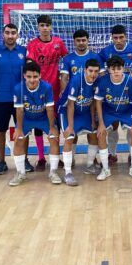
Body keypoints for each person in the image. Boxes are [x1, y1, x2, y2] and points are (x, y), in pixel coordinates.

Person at [0, 23, 34, 175]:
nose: (10, 35)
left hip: (21, 99)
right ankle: (1, 163)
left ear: (17, 35)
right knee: (0, 131)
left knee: (24, 131)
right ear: (3, 34)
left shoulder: (24, 52)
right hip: (0, 99)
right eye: (7, 32)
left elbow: (32, 74)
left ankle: (24, 160)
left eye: (13, 33)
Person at [8, 61, 61, 186]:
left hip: (43, 117)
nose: (32, 80)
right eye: (29, 77)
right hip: (27, 118)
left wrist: (52, 127)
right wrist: (19, 129)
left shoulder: (47, 87)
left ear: (40, 76)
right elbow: (19, 110)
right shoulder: (18, 88)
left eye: (35, 76)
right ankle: (20, 173)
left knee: (54, 139)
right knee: (18, 140)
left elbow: (49, 109)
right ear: (24, 76)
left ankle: (53, 172)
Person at [26, 14, 67, 171]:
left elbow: (67, 60)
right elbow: (30, 66)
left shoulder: (58, 43)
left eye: (47, 25)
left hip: (56, 90)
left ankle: (57, 156)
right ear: (38, 27)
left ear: (51, 27)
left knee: (55, 124)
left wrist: (63, 76)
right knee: (38, 124)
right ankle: (41, 158)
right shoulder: (32, 45)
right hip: (38, 90)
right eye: (42, 25)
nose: (44, 28)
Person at [94, 55, 132, 181]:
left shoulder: (130, 81)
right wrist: (101, 124)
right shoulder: (103, 81)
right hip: (109, 111)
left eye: (119, 68)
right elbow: (98, 102)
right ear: (108, 69)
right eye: (113, 69)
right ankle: (105, 169)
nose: (116, 71)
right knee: (101, 133)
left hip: (126, 111)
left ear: (123, 69)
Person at [98, 25, 132, 163]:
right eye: (115, 38)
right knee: (113, 126)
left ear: (126, 37)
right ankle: (112, 154)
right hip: (112, 92)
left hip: (128, 93)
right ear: (111, 38)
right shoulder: (105, 51)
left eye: (121, 37)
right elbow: (99, 65)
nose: (118, 40)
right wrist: (105, 76)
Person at [58, 58, 101, 186]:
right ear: (85, 70)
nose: (93, 74)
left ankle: (89, 165)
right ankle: (68, 172)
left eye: (96, 71)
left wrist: (93, 120)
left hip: (84, 111)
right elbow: (70, 104)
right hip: (66, 111)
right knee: (70, 137)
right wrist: (71, 127)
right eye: (90, 71)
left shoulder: (97, 81)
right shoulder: (76, 80)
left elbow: (93, 101)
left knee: (94, 134)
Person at [59, 28, 93, 167]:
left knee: (93, 131)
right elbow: (64, 77)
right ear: (74, 42)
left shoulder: (95, 57)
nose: (81, 43)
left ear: (88, 41)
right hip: (73, 99)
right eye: (78, 40)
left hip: (89, 100)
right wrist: (64, 92)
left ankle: (92, 160)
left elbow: (101, 77)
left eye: (83, 40)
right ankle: (70, 159)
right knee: (73, 131)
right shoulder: (68, 58)